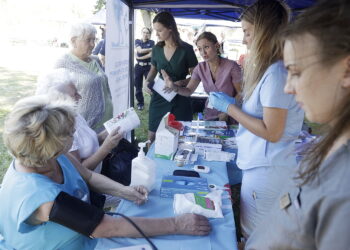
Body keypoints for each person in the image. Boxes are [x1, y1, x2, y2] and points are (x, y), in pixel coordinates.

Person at [0, 96, 211, 250]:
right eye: (68, 134)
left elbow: (89, 177)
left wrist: (125, 191)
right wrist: (176, 224)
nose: (73, 137)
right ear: (49, 146)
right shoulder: (41, 198)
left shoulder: (50, 156)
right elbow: (104, 227)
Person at [246, 0, 350, 248]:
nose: (288, 88)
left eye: (296, 71)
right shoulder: (330, 144)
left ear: (346, 70)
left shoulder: (345, 183)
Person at [209, 0, 304, 239]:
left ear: (264, 32)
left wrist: (230, 108)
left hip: (268, 170)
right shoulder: (271, 69)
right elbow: (263, 114)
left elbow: (272, 131)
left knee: (256, 236)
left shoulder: (276, 73)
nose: (244, 39)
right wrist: (237, 106)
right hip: (264, 166)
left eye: (247, 32)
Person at [36, 69, 119, 175]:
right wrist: (106, 147)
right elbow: (79, 171)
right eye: (74, 94)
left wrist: (106, 134)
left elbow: (87, 144)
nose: (80, 97)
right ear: (59, 100)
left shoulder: (75, 115)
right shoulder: (62, 129)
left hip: (100, 173)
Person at [162, 31, 242, 123]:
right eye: (199, 49)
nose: (203, 52)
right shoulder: (200, 68)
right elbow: (188, 91)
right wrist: (174, 87)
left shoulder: (231, 66)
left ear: (217, 46)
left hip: (233, 114)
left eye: (206, 47)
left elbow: (241, 93)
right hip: (211, 114)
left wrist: (228, 111)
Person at [145, 11, 198, 142]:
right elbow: (153, 69)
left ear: (170, 28)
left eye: (159, 30)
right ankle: (149, 160)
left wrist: (179, 83)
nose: (156, 34)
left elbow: (196, 76)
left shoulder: (187, 49)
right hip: (160, 95)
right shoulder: (156, 49)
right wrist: (147, 81)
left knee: (180, 137)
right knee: (152, 135)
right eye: (155, 31)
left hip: (180, 97)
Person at [54, 22, 113, 132]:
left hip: (108, 122)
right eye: (88, 40)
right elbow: (55, 100)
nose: (92, 44)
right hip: (85, 126)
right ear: (73, 41)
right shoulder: (63, 63)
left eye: (94, 40)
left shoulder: (95, 60)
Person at [134, 27, 155, 110]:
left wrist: (140, 58)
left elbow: (151, 55)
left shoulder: (152, 42)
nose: (145, 34)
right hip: (138, 66)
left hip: (148, 67)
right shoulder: (137, 41)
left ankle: (154, 102)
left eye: (147, 33)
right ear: (141, 33)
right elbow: (140, 51)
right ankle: (140, 103)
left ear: (149, 34)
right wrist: (151, 49)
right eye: (144, 32)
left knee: (151, 85)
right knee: (138, 85)